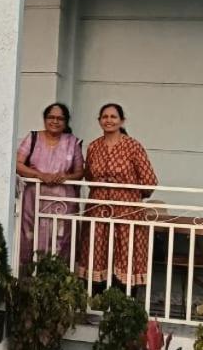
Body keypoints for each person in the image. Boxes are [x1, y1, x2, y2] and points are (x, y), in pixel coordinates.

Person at [77, 102, 158, 290]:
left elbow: (149, 181)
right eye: (105, 117)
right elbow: (89, 177)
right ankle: (96, 302)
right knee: (96, 254)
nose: (109, 120)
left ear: (122, 121)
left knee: (126, 257)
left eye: (113, 117)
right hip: (98, 211)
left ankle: (124, 303)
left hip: (126, 212)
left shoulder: (133, 146)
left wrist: (128, 195)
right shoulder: (94, 147)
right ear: (99, 121)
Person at [15, 102, 84, 267]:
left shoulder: (72, 142)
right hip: (34, 200)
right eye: (51, 117)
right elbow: (17, 164)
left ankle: (57, 275)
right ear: (45, 119)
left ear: (66, 122)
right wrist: (40, 175)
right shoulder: (33, 138)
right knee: (31, 235)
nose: (55, 121)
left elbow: (80, 172)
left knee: (60, 238)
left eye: (60, 118)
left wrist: (65, 176)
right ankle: (29, 273)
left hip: (63, 202)